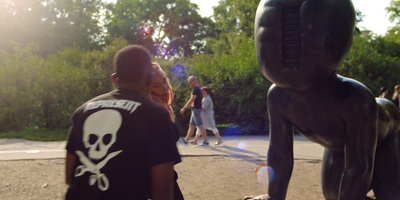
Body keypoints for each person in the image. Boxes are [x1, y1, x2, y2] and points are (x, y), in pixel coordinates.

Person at [65, 45, 181, 200]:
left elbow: (69, 176)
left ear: (114, 78)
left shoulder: (83, 111)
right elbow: (163, 191)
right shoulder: (156, 115)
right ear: (149, 78)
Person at [150, 62, 184, 200]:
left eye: (164, 80)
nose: (164, 87)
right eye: (157, 85)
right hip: (157, 177)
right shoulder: (155, 107)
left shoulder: (160, 105)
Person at [179, 76, 209, 146]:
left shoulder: (196, 89)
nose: (189, 83)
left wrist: (184, 108)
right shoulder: (197, 89)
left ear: (194, 81)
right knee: (191, 125)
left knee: (200, 125)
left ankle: (206, 141)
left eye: (190, 81)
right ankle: (186, 140)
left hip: (196, 110)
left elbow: (192, 99)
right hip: (195, 109)